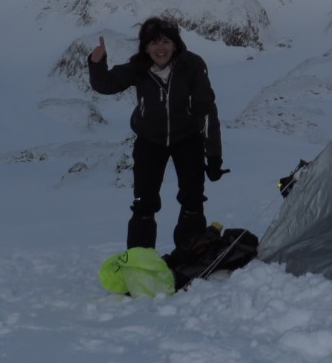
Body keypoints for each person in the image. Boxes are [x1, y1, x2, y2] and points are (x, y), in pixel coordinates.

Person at [88, 17, 229, 250]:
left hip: (187, 138)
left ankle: (190, 254)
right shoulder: (138, 67)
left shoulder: (192, 65)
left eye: (165, 41)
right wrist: (97, 62)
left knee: (193, 201)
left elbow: (206, 110)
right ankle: (140, 262)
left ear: (175, 44)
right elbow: (106, 85)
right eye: (153, 43)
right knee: (144, 204)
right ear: (145, 47)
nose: (160, 48)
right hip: (149, 141)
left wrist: (213, 155)